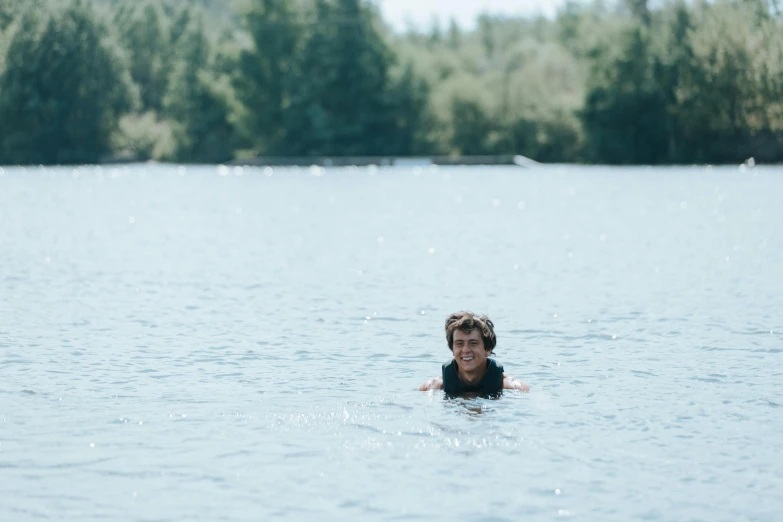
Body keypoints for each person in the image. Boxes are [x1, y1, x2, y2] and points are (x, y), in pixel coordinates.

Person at [419, 311, 529, 395]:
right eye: (459, 343)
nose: (466, 350)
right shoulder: (431, 388)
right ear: (452, 349)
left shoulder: (515, 388)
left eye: (473, 343)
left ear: (488, 349)